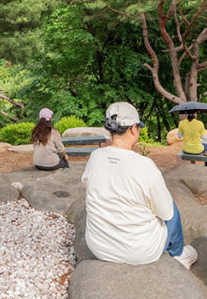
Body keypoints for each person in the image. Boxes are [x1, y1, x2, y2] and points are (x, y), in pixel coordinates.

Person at [82, 101, 198, 269]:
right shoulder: (144, 164)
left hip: (99, 247)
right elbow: (166, 213)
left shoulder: (95, 157)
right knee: (171, 208)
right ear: (133, 129)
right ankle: (179, 255)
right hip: (140, 252)